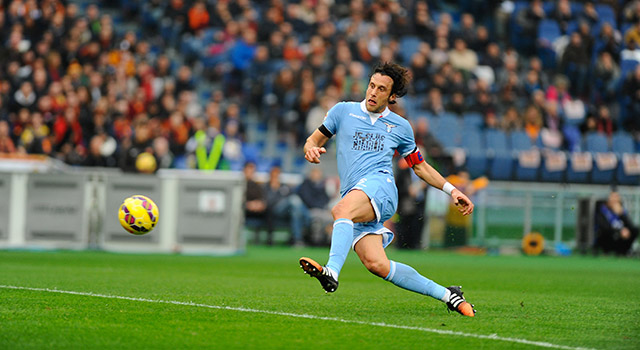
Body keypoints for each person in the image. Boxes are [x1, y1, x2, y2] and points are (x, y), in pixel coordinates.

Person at [298, 62, 476, 317]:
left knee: (341, 210)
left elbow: (420, 167)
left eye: (381, 89)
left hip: (381, 188)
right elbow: (313, 140)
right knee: (377, 264)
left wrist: (452, 190)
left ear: (392, 96)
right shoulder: (342, 112)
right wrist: (310, 149)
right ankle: (449, 295)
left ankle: (332, 272)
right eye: (371, 86)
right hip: (357, 197)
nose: (373, 92)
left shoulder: (400, 126)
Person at [594, 191, 639, 256]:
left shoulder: (622, 211)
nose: (614, 200)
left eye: (616, 197)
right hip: (608, 237)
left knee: (635, 230)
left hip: (620, 238)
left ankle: (623, 252)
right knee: (603, 232)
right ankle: (606, 251)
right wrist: (619, 232)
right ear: (608, 199)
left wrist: (621, 214)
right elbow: (604, 226)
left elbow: (630, 225)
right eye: (613, 197)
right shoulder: (602, 209)